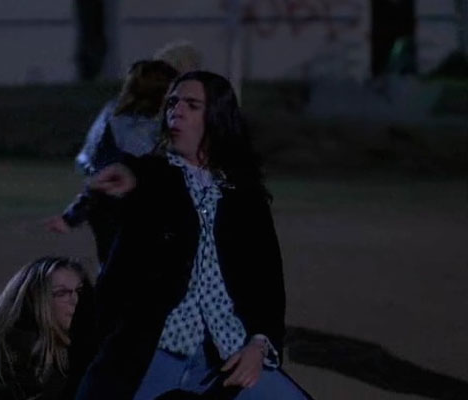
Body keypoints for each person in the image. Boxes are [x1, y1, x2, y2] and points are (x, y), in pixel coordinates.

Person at [75, 71, 311, 399]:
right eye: (172, 103)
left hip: (229, 356)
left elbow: (267, 285)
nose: (176, 112)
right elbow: (141, 177)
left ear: (216, 117)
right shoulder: (152, 181)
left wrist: (259, 346)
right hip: (153, 353)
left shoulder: (245, 197)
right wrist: (126, 179)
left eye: (191, 105)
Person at [45, 60, 178, 265]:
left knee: (115, 267)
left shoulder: (114, 114)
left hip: (112, 209)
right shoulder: (167, 123)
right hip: (135, 209)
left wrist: (73, 216)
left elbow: (96, 169)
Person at [0, 257, 95, 400]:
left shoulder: (78, 344)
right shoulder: (16, 350)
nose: (75, 300)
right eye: (61, 293)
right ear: (36, 299)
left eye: (79, 291)